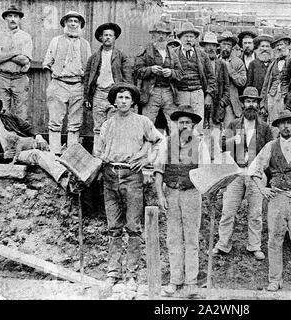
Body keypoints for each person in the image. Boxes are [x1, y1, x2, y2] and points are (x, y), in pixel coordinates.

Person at [95, 83, 165, 291]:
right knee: (113, 227)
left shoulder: (142, 121)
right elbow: (98, 150)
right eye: (120, 97)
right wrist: (101, 158)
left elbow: (160, 142)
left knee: (133, 227)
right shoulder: (107, 124)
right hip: (110, 175)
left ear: (133, 101)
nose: (123, 101)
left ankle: (131, 275)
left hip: (132, 176)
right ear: (114, 101)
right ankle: (112, 273)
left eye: (127, 98)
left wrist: (147, 160)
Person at [248, 109, 291, 292]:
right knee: (274, 240)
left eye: (290, 122)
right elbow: (254, 170)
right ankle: (274, 280)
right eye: (282, 123)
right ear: (278, 126)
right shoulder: (270, 146)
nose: (286, 126)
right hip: (277, 197)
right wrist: (263, 189)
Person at [154, 105, 209, 296]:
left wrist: (206, 192)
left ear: (193, 124)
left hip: (192, 193)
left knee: (192, 238)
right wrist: (160, 195)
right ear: (176, 124)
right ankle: (174, 280)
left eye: (188, 122)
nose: (184, 125)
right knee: (173, 238)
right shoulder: (166, 143)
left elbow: (205, 172)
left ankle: (191, 282)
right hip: (171, 193)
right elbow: (159, 171)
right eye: (181, 122)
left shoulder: (200, 144)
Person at [213, 87, 273, 261]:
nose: (251, 105)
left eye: (254, 101)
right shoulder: (233, 124)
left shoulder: (265, 128)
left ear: (258, 104)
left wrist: (264, 175)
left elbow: (269, 151)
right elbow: (222, 145)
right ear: (242, 103)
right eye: (248, 101)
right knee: (228, 211)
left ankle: (254, 246)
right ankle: (223, 244)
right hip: (236, 173)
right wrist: (233, 140)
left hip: (256, 174)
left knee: (255, 214)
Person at [0, 97, 75, 191]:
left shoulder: (8, 118)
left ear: (0, 109)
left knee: (46, 149)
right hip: (13, 154)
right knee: (36, 154)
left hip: (25, 143)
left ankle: (71, 174)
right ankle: (65, 178)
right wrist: (2, 156)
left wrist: (38, 137)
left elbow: (26, 127)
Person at [43, 11, 91, 155]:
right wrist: (50, 86)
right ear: (65, 23)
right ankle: (55, 153)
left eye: (76, 21)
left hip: (78, 84)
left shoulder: (85, 44)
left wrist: (85, 89)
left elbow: (88, 69)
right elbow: (47, 64)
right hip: (58, 83)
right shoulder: (56, 40)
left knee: (75, 123)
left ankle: (71, 154)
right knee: (55, 121)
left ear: (80, 25)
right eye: (70, 21)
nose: (73, 24)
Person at [84, 23, 132, 155]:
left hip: (114, 94)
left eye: (111, 35)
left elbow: (128, 77)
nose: (108, 38)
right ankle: (98, 156)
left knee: (114, 126)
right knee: (98, 128)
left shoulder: (121, 56)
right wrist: (87, 97)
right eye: (105, 35)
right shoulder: (94, 57)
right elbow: (87, 78)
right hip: (98, 94)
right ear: (101, 38)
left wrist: (126, 95)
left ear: (114, 38)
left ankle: (112, 155)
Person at [135, 21, 183, 134]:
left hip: (169, 93)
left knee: (174, 125)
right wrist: (150, 70)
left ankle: (175, 150)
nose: (161, 36)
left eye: (164, 34)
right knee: (147, 124)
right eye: (158, 33)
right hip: (152, 92)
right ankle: (147, 151)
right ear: (153, 35)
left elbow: (180, 73)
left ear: (167, 36)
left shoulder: (172, 53)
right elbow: (137, 71)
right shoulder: (145, 52)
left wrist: (171, 73)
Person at [174, 22, 216, 131]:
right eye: (186, 36)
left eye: (191, 37)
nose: (188, 39)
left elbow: (211, 77)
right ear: (180, 38)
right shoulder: (173, 53)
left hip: (197, 93)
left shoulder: (202, 55)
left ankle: (197, 146)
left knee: (198, 124)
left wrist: (209, 95)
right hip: (181, 93)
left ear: (195, 39)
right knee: (182, 123)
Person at [0, 5, 33, 121]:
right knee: (1, 112)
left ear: (19, 19)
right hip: (2, 77)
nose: (12, 19)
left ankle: (20, 138)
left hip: (20, 78)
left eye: (15, 16)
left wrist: (6, 54)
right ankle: (2, 138)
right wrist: (15, 52)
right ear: (5, 18)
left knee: (21, 114)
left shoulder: (25, 37)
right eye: (10, 16)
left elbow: (25, 60)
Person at [260, 34, 291, 134]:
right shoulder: (273, 64)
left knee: (285, 122)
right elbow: (266, 84)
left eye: (281, 45)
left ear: (287, 45)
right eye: (277, 46)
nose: (279, 48)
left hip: (285, 97)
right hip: (272, 97)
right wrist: (262, 103)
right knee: (273, 124)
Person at [199, 32, 230, 129]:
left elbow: (226, 86)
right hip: (201, 102)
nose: (211, 48)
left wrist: (222, 102)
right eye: (208, 45)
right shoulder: (199, 62)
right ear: (204, 46)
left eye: (213, 45)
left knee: (215, 135)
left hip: (217, 106)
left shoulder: (221, 64)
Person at [218, 31, 246, 128]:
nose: (226, 47)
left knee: (229, 130)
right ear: (219, 45)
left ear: (232, 47)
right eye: (224, 44)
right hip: (216, 101)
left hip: (230, 103)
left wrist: (230, 70)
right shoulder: (214, 60)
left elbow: (242, 82)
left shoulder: (238, 62)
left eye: (229, 45)